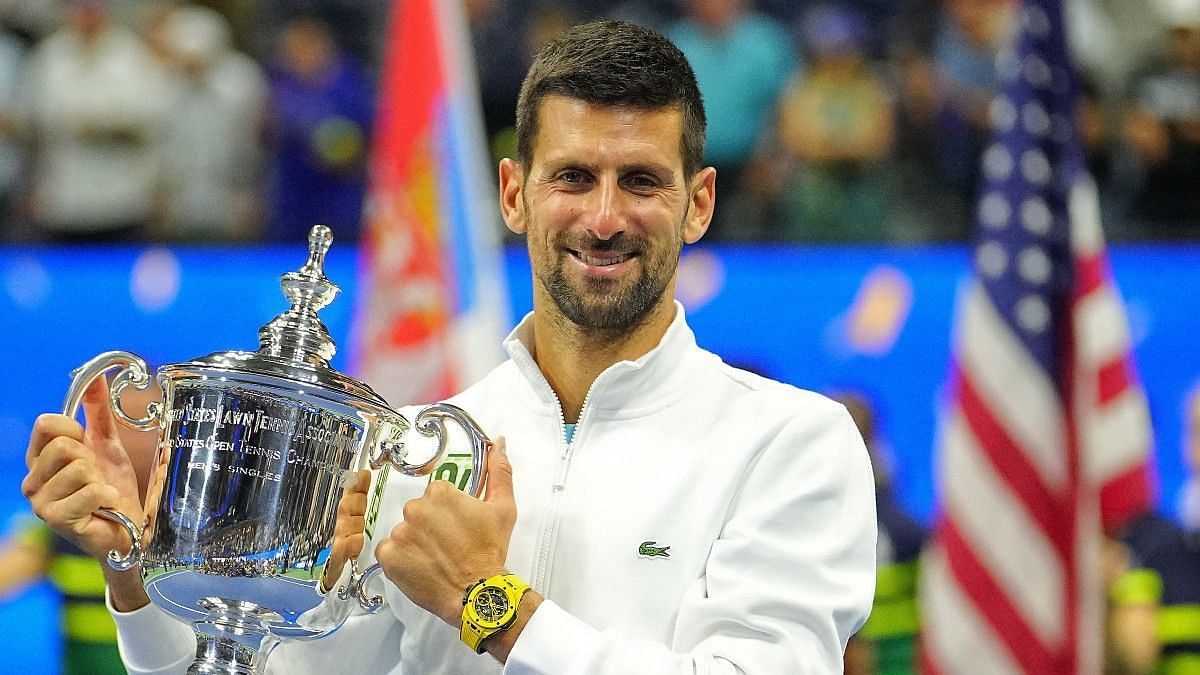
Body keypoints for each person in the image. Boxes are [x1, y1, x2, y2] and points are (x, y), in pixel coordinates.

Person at [22, 20, 877, 673]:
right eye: (573, 177)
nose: (606, 217)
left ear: (699, 203)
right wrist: (138, 569)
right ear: (514, 193)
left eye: (643, 181)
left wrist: (490, 602)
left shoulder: (789, 441)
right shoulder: (416, 442)